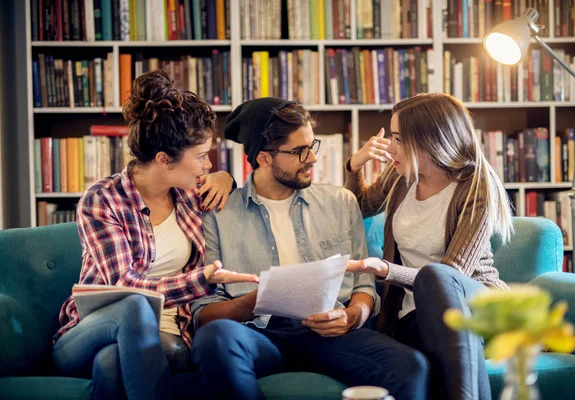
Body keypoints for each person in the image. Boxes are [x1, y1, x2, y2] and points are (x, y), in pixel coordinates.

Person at [189, 97, 430, 400]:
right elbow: (203, 312)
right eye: (300, 151)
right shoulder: (218, 213)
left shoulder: (340, 202)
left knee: (410, 365)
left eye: (311, 146)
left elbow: (364, 283)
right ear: (264, 158)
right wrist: (254, 301)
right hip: (258, 333)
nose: (313, 159)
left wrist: (353, 315)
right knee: (215, 339)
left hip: (330, 334)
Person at [52, 70, 259, 400]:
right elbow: (124, 286)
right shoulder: (102, 199)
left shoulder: (191, 194)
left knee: (109, 366)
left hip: (169, 331)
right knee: (134, 306)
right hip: (92, 329)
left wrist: (226, 178)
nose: (208, 165)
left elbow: (237, 194)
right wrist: (200, 280)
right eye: (202, 156)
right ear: (164, 160)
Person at [344, 92, 513, 400]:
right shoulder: (402, 176)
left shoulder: (475, 187)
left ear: (430, 140)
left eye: (398, 137)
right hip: (413, 315)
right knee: (413, 355)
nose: (390, 147)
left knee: (437, 278)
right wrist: (354, 164)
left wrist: (386, 269)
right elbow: (358, 206)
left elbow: (451, 276)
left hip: (474, 303)